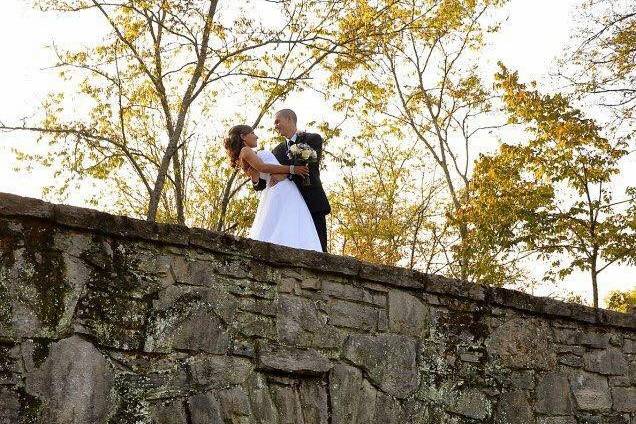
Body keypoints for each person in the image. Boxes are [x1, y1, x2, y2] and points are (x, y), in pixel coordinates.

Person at [224, 124, 323, 252]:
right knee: (290, 222)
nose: (256, 136)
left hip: (279, 189)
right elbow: (263, 167)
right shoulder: (246, 151)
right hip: (281, 190)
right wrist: (292, 169)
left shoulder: (249, 153)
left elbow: (257, 178)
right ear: (243, 136)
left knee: (286, 224)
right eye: (252, 133)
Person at [252, 109, 331, 252]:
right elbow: (264, 183)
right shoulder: (277, 151)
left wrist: (286, 174)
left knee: (319, 249)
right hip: (289, 208)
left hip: (311, 201)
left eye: (277, 121)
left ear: (289, 118)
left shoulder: (313, 139)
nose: (275, 126)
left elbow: (309, 166)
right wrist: (254, 174)